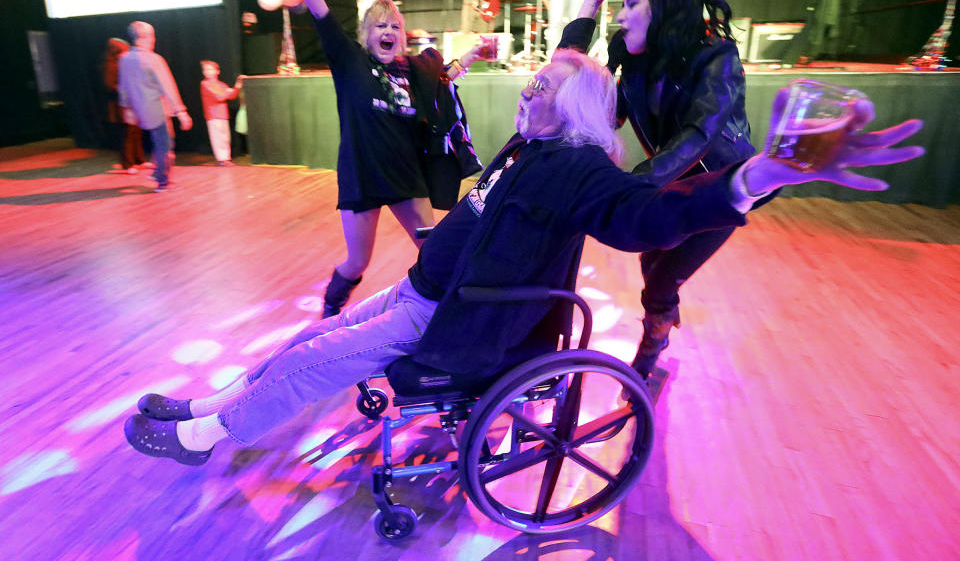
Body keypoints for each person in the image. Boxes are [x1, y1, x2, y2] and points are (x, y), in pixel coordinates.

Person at [123, 36, 924, 466]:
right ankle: (203, 409)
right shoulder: (531, 146)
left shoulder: (577, 167)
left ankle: (201, 440)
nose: (527, 91)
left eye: (542, 85)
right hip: (422, 290)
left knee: (310, 365)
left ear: (572, 105)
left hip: (453, 320)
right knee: (303, 339)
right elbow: (520, 157)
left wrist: (751, 177)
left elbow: (643, 218)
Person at [250, 0, 484, 318]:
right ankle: (329, 312)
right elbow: (319, 10)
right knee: (357, 263)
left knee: (433, 248)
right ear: (365, 33)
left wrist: (470, 56)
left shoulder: (414, 69)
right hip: (362, 175)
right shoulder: (349, 61)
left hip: (405, 176)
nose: (389, 31)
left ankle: (443, 313)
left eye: (394, 25)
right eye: (380, 25)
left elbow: (442, 81)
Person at [558, 0, 760, 377]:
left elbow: (698, 134)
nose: (621, 13)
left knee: (663, 275)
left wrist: (633, 184)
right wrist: (589, 5)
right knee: (652, 257)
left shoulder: (717, 57)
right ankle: (664, 308)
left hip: (719, 182)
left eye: (631, 4)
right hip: (669, 172)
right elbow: (605, 103)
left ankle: (651, 350)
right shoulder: (631, 51)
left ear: (664, 11)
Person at [117, 21, 193, 192]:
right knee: (164, 144)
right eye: (151, 35)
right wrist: (181, 111)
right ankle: (161, 180)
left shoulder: (124, 59)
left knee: (160, 141)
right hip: (157, 109)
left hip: (140, 110)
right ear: (145, 38)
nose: (154, 39)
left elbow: (123, 86)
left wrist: (127, 109)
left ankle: (157, 172)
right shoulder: (154, 59)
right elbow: (168, 86)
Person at [102, 37, 148, 174]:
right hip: (120, 105)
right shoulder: (110, 66)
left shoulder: (124, 64)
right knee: (126, 134)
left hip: (132, 102)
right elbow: (109, 86)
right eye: (124, 51)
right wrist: (127, 88)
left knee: (136, 131)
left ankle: (139, 160)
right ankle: (128, 164)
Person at [199, 60, 243, 166]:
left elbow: (232, 95)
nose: (207, 72)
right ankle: (222, 159)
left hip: (223, 114)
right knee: (217, 136)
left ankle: (226, 158)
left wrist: (238, 85)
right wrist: (227, 92)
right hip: (213, 115)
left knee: (225, 136)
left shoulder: (221, 84)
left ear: (217, 71)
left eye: (210, 69)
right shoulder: (205, 84)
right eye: (205, 69)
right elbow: (218, 97)